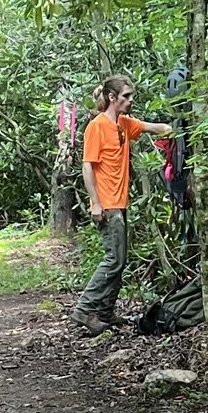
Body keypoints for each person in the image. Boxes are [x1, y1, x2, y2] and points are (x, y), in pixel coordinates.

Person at [74, 74, 174, 336]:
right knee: (113, 260)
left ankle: (105, 313)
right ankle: (85, 309)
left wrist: (181, 128)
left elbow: (157, 128)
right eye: (126, 96)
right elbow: (87, 166)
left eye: (131, 96)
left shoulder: (124, 124)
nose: (131, 101)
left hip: (120, 202)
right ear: (111, 98)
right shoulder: (96, 126)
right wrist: (95, 204)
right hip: (107, 204)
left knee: (120, 259)